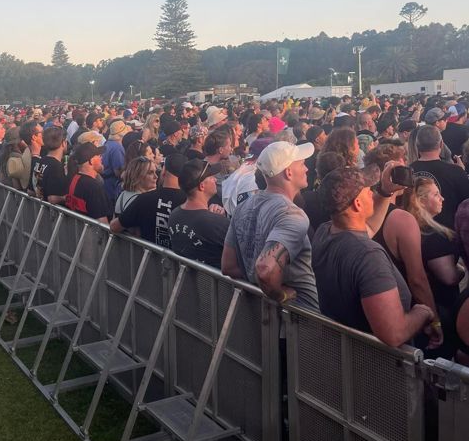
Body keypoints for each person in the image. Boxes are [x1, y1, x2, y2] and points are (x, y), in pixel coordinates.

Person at [312, 167, 437, 348]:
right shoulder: (368, 256)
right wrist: (423, 312)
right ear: (357, 204)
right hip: (376, 366)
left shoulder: (325, 231)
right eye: (367, 190)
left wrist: (385, 193)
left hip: (341, 352)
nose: (372, 192)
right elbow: (393, 333)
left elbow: (367, 229)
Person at [222, 140, 318, 308]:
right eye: (302, 164)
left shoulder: (243, 207)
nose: (307, 169)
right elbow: (265, 269)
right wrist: (280, 294)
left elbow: (228, 266)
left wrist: (256, 281)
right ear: (288, 172)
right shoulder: (292, 214)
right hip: (300, 318)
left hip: (262, 315)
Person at [401, 177, 463, 356]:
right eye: (436, 195)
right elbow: (448, 276)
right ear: (421, 201)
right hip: (440, 309)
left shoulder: (411, 229)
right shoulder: (433, 236)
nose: (442, 198)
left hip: (422, 310)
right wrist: (461, 270)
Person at [110, 152, 187, 247]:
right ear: (138, 176)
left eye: (155, 172)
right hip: (134, 254)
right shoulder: (138, 199)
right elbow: (131, 231)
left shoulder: (125, 194)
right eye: (150, 173)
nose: (156, 176)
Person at [168, 159, 228, 269]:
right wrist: (218, 220)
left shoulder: (174, 215)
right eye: (211, 177)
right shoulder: (217, 223)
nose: (215, 179)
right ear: (202, 186)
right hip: (211, 284)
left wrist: (212, 216)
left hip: (183, 282)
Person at [411, 125, 469, 230]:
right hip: (449, 235)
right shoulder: (456, 171)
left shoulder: (408, 171)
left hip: (415, 232)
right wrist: (462, 173)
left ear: (417, 145)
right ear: (441, 144)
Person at [65, 142, 111, 223]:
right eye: (98, 155)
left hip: (77, 231)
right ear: (91, 161)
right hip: (90, 234)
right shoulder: (94, 187)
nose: (101, 158)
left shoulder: (73, 179)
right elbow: (102, 222)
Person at [101, 120, 128, 210]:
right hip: (111, 186)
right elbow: (118, 172)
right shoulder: (117, 147)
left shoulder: (107, 143)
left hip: (104, 184)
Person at [39, 126, 69, 204]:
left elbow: (31, 191)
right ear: (63, 143)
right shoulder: (56, 166)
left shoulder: (40, 161)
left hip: (39, 210)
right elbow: (52, 199)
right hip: (52, 213)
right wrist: (67, 197)